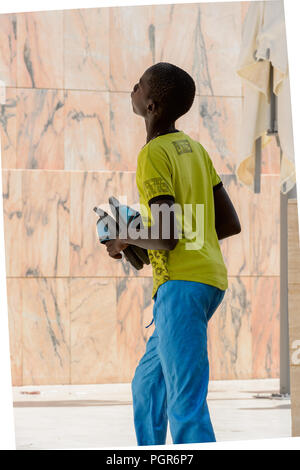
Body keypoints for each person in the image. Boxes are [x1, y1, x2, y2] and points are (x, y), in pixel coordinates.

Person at [105, 62, 241, 445]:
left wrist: (123, 238)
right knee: (147, 385)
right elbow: (228, 223)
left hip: (181, 288)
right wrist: (149, 241)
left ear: (152, 106)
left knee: (186, 402)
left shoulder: (153, 154)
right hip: (206, 280)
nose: (133, 87)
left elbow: (165, 237)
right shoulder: (195, 150)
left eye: (139, 85)